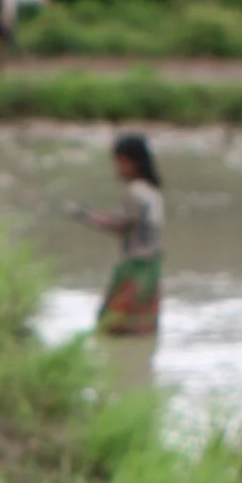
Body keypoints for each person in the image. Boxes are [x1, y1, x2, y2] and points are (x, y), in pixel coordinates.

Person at [75, 132, 164, 335]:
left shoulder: (135, 191)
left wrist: (87, 217)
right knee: (142, 329)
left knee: (110, 326)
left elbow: (123, 225)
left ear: (127, 161)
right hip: (152, 265)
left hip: (134, 267)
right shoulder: (153, 191)